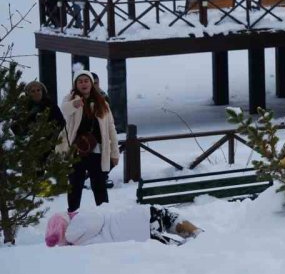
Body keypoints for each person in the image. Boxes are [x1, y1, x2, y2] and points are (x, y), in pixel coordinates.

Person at [56, 71, 117, 213]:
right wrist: (74, 104)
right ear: (76, 84)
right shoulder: (70, 98)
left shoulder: (102, 103)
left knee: (99, 186)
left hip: (97, 151)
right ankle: (72, 214)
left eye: (86, 81)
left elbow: (111, 128)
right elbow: (64, 109)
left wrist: (114, 153)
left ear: (91, 83)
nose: (83, 84)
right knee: (75, 186)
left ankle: (104, 215)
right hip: (76, 152)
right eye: (80, 81)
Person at [45, 206, 201, 247]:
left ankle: (198, 239)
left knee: (176, 247)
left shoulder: (78, 239)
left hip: (138, 230)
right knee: (169, 218)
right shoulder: (79, 224)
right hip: (139, 220)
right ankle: (200, 236)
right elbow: (97, 219)